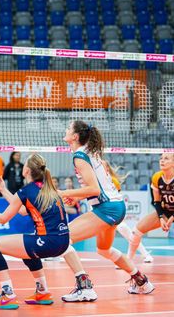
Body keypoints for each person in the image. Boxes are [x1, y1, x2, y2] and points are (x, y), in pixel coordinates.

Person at [58, 120, 153, 302]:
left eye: (69, 128)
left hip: (107, 208)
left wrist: (64, 193)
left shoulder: (80, 156)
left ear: (75, 136)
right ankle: (141, 281)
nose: (66, 129)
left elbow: (94, 189)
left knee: (61, 238)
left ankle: (85, 288)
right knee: (104, 250)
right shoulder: (91, 152)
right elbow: (98, 187)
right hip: (116, 206)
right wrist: (77, 197)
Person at [0, 154, 70, 310]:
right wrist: (3, 190)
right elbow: (22, 210)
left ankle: (8, 295)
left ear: (26, 171)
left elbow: (3, 219)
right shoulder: (49, 188)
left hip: (47, 243)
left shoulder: (26, 191)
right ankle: (42, 292)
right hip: (64, 243)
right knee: (26, 249)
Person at [128, 153, 174, 261]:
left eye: (166, 158)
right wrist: (161, 217)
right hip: (166, 211)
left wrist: (172, 218)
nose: (162, 160)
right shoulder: (157, 177)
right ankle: (128, 261)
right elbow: (156, 201)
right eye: (161, 158)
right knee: (136, 231)